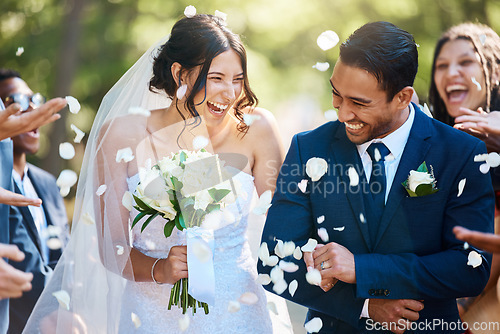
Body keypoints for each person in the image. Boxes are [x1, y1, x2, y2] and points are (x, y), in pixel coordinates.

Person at [24, 13, 292, 333]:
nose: (230, 93)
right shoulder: (121, 136)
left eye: (238, 79)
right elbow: (113, 247)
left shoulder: (256, 129)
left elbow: (287, 218)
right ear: (179, 73)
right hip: (150, 315)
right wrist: (160, 269)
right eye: (217, 78)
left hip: (238, 311)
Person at [258, 21, 494, 334]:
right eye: (337, 95)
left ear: (403, 97)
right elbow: (273, 262)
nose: (342, 114)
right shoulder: (308, 147)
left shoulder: (462, 152)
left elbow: (470, 267)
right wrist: (366, 305)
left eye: (359, 103)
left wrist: (363, 271)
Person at [428, 22, 500, 321]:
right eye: (442, 65)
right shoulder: (429, 146)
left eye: (466, 61)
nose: (451, 72)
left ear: (494, 72)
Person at [0, 69, 70, 333]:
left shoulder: (48, 184)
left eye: (33, 98)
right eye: (15, 99)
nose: (30, 107)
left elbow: (62, 253)